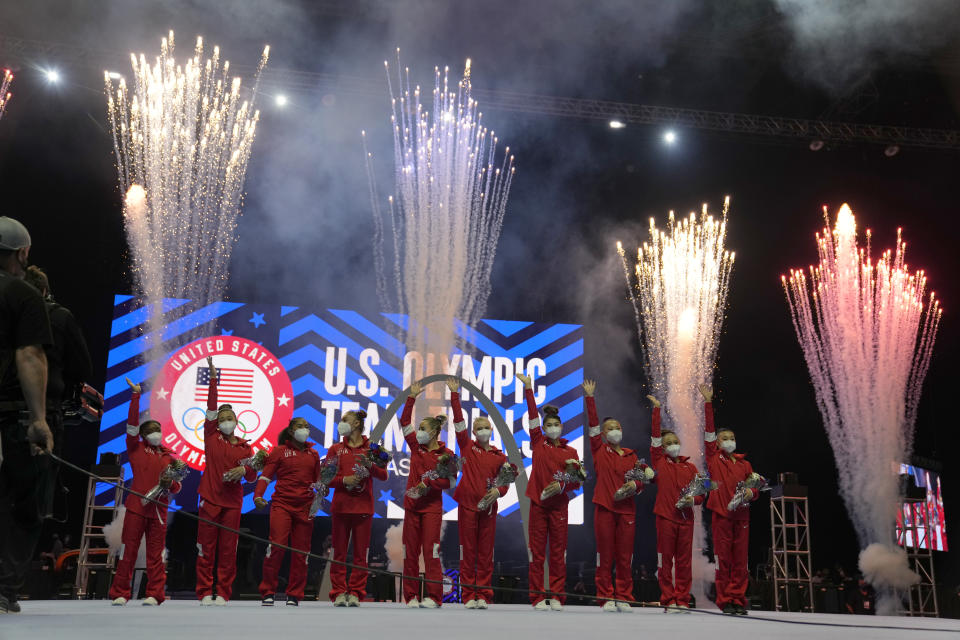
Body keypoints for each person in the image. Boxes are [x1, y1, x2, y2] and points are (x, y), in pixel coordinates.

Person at [0, 216, 53, 615]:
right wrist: (38, 420)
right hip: (5, 418)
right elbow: (29, 355)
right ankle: (3, 588)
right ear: (22, 253)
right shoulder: (22, 295)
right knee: (21, 503)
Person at [23, 265, 92, 518]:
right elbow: (82, 368)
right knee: (35, 503)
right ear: (44, 290)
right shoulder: (60, 317)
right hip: (44, 413)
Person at [108, 378, 182, 606]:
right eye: (151, 431)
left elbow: (177, 487)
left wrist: (170, 483)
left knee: (155, 555)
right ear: (142, 435)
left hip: (159, 510)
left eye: (158, 430)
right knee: (128, 550)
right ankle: (120, 592)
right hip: (137, 507)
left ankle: (155, 594)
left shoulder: (169, 456)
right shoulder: (135, 448)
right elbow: (131, 425)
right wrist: (136, 396)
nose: (156, 433)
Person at [196, 356, 257, 606]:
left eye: (229, 418)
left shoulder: (245, 448)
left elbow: (253, 476)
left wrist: (244, 472)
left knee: (227, 551)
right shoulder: (211, 436)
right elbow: (211, 406)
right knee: (206, 549)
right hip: (210, 499)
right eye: (221, 419)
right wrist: (213, 378)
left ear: (236, 421)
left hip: (232, 503)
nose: (225, 422)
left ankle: (222, 592)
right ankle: (203, 592)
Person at [520, 372, 582, 611]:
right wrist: (528, 389)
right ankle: (537, 597)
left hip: (559, 507)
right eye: (549, 425)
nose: (553, 428)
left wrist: (563, 485)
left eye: (556, 425)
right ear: (543, 428)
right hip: (538, 505)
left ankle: (556, 596)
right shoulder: (539, 443)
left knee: (558, 554)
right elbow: (533, 417)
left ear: (562, 427)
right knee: (537, 554)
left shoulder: (572, 453)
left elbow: (577, 482)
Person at [583, 379, 643, 612]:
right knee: (605, 556)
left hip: (627, 510)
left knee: (625, 556)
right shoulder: (599, 449)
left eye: (617, 427)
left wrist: (635, 486)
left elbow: (642, 482)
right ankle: (606, 596)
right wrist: (590, 398)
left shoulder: (631, 456)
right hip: (605, 508)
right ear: (603, 434)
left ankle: (624, 595)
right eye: (609, 428)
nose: (614, 431)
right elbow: (593, 426)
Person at [449, 376, 508, 610]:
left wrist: (498, 491)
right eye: (478, 428)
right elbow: (458, 422)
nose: (483, 430)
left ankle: (483, 594)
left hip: (489, 508)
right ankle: (468, 595)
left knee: (485, 553)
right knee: (468, 552)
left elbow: (505, 483)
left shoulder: (499, 456)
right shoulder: (467, 446)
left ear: (491, 430)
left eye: (486, 427)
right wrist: (455, 396)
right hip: (467, 505)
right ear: (473, 432)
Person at [701, 384, 758, 615]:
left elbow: (754, 490)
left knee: (740, 563)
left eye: (732, 438)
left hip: (742, 517)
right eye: (724, 438)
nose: (729, 441)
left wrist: (750, 493)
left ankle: (738, 599)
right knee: (723, 561)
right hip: (722, 516)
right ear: (717, 443)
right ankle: (726, 601)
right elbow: (708, 433)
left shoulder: (745, 464)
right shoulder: (715, 459)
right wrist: (708, 404)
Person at [253, 417, 321, 607]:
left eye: (307, 426)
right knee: (277, 547)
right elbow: (266, 476)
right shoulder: (279, 451)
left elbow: (319, 482)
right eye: (300, 426)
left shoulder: (314, 454)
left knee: (302, 553)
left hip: (305, 508)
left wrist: (321, 492)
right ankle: (268, 591)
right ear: (291, 431)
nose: (304, 429)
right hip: (282, 505)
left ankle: (294, 594)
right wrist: (257, 496)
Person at [399, 381, 454, 608]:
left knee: (431, 553)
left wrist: (429, 483)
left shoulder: (446, 454)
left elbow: (450, 482)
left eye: (423, 429)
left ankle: (434, 597)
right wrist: (411, 398)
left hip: (431, 509)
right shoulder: (416, 447)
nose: (419, 432)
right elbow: (404, 422)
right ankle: (410, 596)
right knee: (409, 553)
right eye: (419, 428)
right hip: (412, 508)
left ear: (434, 432)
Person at [647, 394, 704, 612]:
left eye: (675, 442)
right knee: (665, 562)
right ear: (662, 447)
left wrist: (693, 499)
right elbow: (654, 439)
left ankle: (683, 599)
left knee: (684, 563)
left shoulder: (691, 468)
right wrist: (657, 411)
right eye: (667, 443)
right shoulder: (659, 461)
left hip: (685, 520)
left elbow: (701, 495)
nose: (672, 445)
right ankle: (668, 599)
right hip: (665, 518)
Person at [324, 408, 387, 607]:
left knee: (361, 554)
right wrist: (344, 480)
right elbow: (326, 478)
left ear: (357, 424)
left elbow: (383, 476)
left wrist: (371, 466)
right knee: (338, 553)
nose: (340, 422)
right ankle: (339, 592)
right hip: (341, 508)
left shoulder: (372, 449)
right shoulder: (335, 449)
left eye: (344, 419)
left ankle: (356, 593)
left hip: (363, 508)